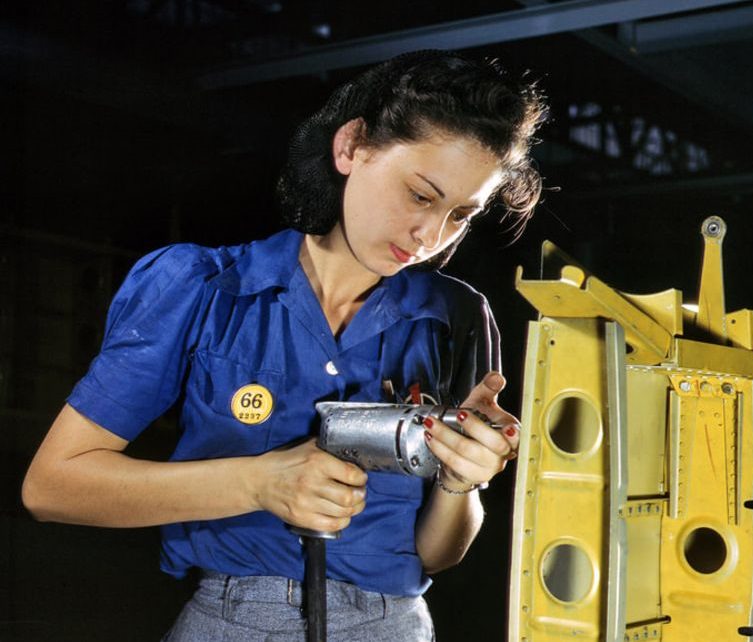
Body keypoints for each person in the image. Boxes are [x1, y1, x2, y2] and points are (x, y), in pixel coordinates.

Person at [21, 50, 548, 640]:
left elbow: (434, 555)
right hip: (232, 617)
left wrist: (463, 480)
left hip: (393, 623)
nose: (430, 236)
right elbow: (53, 487)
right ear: (351, 147)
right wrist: (259, 482)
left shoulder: (455, 316)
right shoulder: (201, 288)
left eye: (460, 216)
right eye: (420, 196)